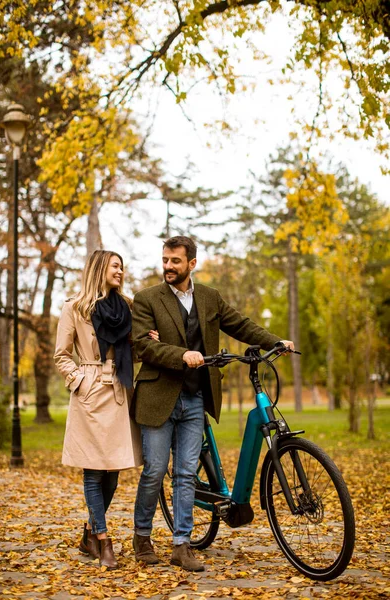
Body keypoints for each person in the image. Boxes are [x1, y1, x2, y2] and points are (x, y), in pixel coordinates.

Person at [131, 236, 294, 571]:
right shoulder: (146, 299)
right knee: (155, 471)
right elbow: (141, 346)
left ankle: (181, 545)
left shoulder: (209, 297)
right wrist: (182, 354)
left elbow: (240, 324)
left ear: (192, 263)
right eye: (165, 260)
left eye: (175, 261)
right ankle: (142, 536)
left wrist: (273, 340)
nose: (168, 267)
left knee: (187, 474)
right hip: (158, 398)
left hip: (195, 398)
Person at [54, 250, 155, 569]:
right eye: (115, 266)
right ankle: (103, 538)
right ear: (99, 269)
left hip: (119, 391)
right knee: (93, 468)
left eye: (123, 267)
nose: (121, 271)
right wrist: (79, 380)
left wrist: (146, 341)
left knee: (112, 470)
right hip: (90, 392)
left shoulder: (126, 307)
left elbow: (130, 352)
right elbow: (61, 354)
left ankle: (88, 532)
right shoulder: (75, 306)